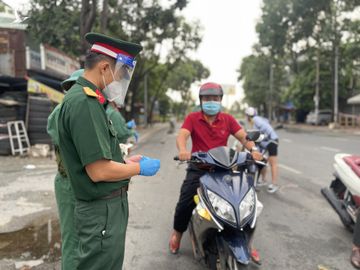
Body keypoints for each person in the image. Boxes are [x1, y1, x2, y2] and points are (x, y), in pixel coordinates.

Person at [57, 32, 160, 270]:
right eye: (120, 74)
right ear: (105, 67)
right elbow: (99, 170)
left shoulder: (88, 101)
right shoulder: (84, 102)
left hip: (104, 209)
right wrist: (138, 169)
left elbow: (99, 157)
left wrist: (125, 161)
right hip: (99, 210)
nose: (120, 81)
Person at [169, 82, 263, 263]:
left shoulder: (227, 119)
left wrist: (253, 149)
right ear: (201, 101)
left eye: (215, 98)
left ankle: (248, 244)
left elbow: (243, 137)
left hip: (224, 169)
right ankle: (177, 235)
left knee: (243, 203)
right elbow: (182, 135)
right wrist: (183, 150)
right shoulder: (193, 118)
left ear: (220, 100)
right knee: (185, 203)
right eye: (207, 99)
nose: (211, 101)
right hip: (199, 168)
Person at [47, 69, 84, 270]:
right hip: (68, 182)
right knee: (72, 239)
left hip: (75, 181)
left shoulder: (75, 110)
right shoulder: (63, 112)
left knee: (83, 240)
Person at [245, 107, 279, 193]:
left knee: (273, 163)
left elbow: (265, 129)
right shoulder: (257, 120)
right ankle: (263, 180)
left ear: (249, 115)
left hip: (271, 141)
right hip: (266, 143)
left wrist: (265, 136)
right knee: (262, 160)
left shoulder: (255, 120)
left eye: (247, 116)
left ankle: (275, 184)